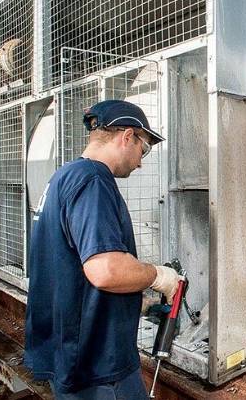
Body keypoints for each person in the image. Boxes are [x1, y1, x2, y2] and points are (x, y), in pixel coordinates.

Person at [25, 100, 181, 399]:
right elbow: (105, 270)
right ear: (127, 137)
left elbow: (70, 263)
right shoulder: (94, 181)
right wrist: (159, 276)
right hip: (96, 366)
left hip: (71, 353)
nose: (140, 162)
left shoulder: (64, 176)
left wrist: (135, 302)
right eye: (143, 149)